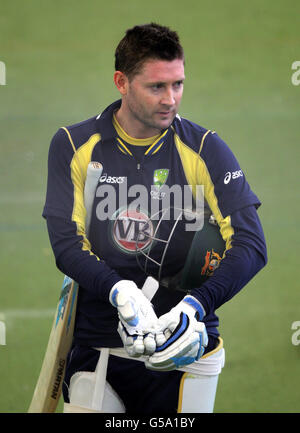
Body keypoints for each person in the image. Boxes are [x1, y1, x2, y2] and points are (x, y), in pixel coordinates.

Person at [42, 23, 267, 413]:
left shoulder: (205, 149)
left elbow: (251, 245)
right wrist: (119, 292)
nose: (171, 99)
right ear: (121, 82)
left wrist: (194, 306)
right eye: (156, 87)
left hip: (188, 352)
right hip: (99, 350)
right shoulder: (74, 146)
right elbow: (66, 243)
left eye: (178, 84)